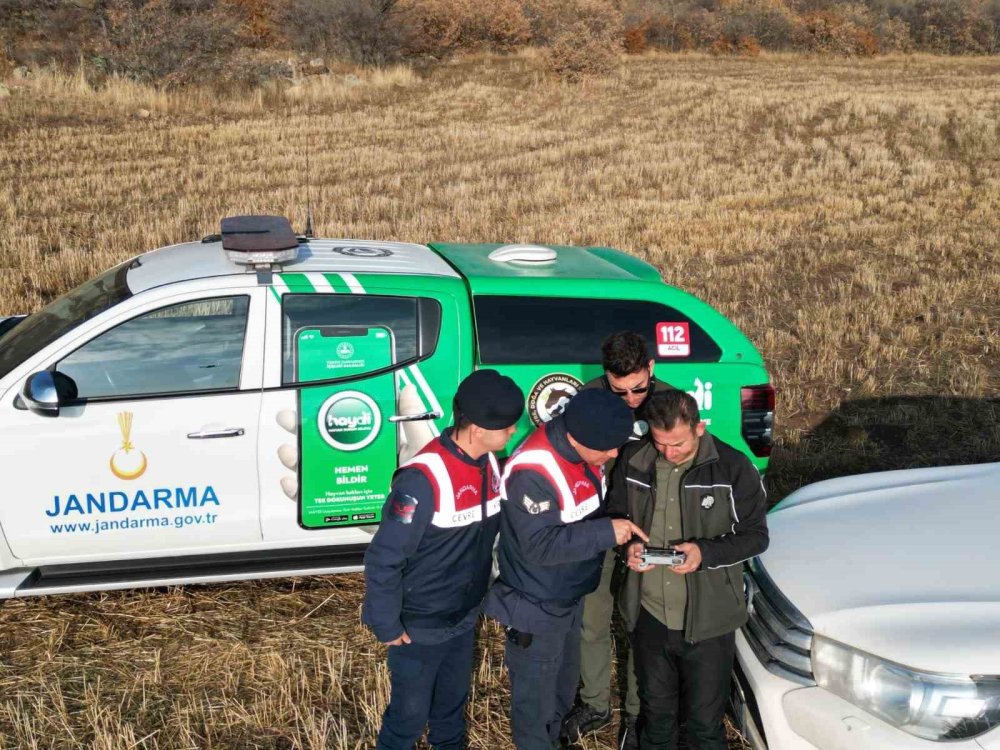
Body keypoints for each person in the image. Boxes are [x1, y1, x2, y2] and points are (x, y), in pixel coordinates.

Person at [363, 369, 525, 750]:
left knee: (451, 714)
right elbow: (384, 558)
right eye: (507, 428)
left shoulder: (489, 463)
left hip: (462, 617)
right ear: (478, 428)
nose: (513, 434)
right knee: (407, 720)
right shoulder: (422, 479)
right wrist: (386, 624)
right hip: (419, 626)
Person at [483, 388, 649, 750]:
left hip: (569, 596)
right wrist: (607, 532)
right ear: (579, 438)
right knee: (535, 706)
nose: (614, 454)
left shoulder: (584, 449)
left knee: (560, 690)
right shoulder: (533, 472)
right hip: (536, 606)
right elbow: (539, 545)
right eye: (608, 448)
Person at [608, 389, 769, 750]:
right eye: (660, 442)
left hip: (709, 622)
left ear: (699, 427)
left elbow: (756, 537)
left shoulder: (733, 468)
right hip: (649, 616)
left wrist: (704, 553)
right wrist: (627, 547)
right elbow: (615, 516)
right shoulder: (634, 460)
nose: (668, 452)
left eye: (677, 443)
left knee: (704, 727)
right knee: (656, 718)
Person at [565, 331, 672, 747]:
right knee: (591, 619)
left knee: (638, 623)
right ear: (605, 377)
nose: (630, 398)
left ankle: (634, 712)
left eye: (638, 388)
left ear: (651, 369)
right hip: (595, 524)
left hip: (645, 530)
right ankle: (594, 703)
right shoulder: (588, 399)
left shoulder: (670, 404)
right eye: (619, 389)